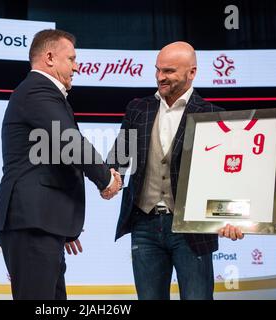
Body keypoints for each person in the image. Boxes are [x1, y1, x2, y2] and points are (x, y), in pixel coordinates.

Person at [106, 41, 243, 300]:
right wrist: (111, 178)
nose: (160, 77)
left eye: (168, 71)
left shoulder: (214, 114)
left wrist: (234, 217)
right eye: (158, 70)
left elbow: (228, 177)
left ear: (192, 72)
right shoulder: (138, 108)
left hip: (193, 229)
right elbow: (119, 157)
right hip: (144, 225)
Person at [0, 29, 122, 300]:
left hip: (43, 223)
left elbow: (54, 157)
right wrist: (106, 180)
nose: (76, 67)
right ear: (50, 57)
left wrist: (62, 223)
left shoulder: (40, 93)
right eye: (72, 59)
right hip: (32, 224)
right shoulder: (37, 90)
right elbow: (70, 142)